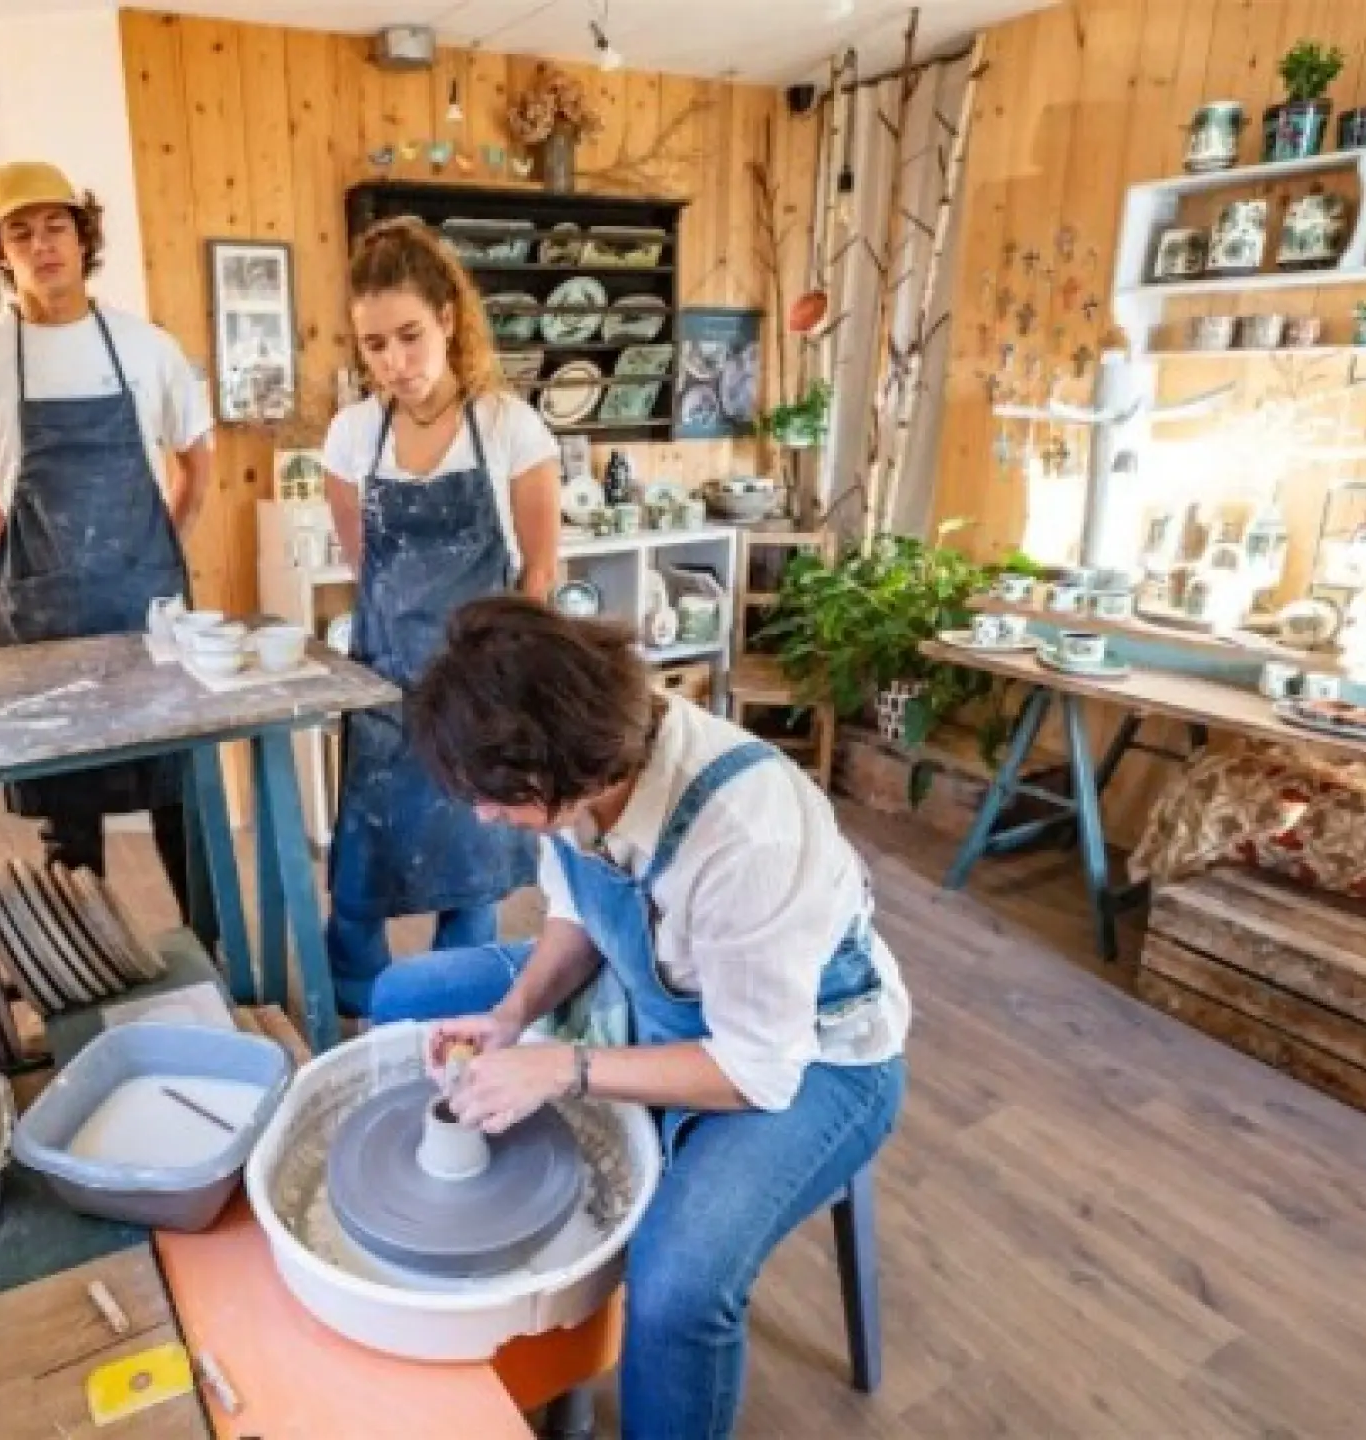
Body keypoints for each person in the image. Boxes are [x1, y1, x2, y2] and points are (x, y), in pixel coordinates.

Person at [375, 596, 911, 1440]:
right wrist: (513, 1018)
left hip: (814, 1056)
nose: (483, 816)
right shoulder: (584, 767)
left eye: (494, 798)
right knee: (403, 999)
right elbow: (584, 913)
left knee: (677, 1289)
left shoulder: (746, 836)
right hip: (654, 981)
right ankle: (506, 1346)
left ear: (570, 769)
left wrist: (566, 1067)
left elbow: (753, 1068)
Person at [0, 160, 213, 908]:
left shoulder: (145, 346)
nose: (42, 244)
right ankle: (87, 978)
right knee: (68, 815)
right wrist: (20, 559)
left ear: (82, 234)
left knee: (176, 796)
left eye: (56, 225)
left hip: (145, 608)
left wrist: (167, 543)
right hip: (43, 619)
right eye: (19, 232)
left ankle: (214, 963)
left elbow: (195, 457)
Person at [319, 218, 562, 1017]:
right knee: (360, 879)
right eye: (375, 345)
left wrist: (502, 685)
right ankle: (360, 1012)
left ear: (450, 319)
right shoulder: (354, 434)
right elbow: (368, 566)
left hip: (480, 696)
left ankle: (456, 1016)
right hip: (385, 687)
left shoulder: (511, 429)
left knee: (473, 878)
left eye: (410, 336)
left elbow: (538, 575)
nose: (394, 363)